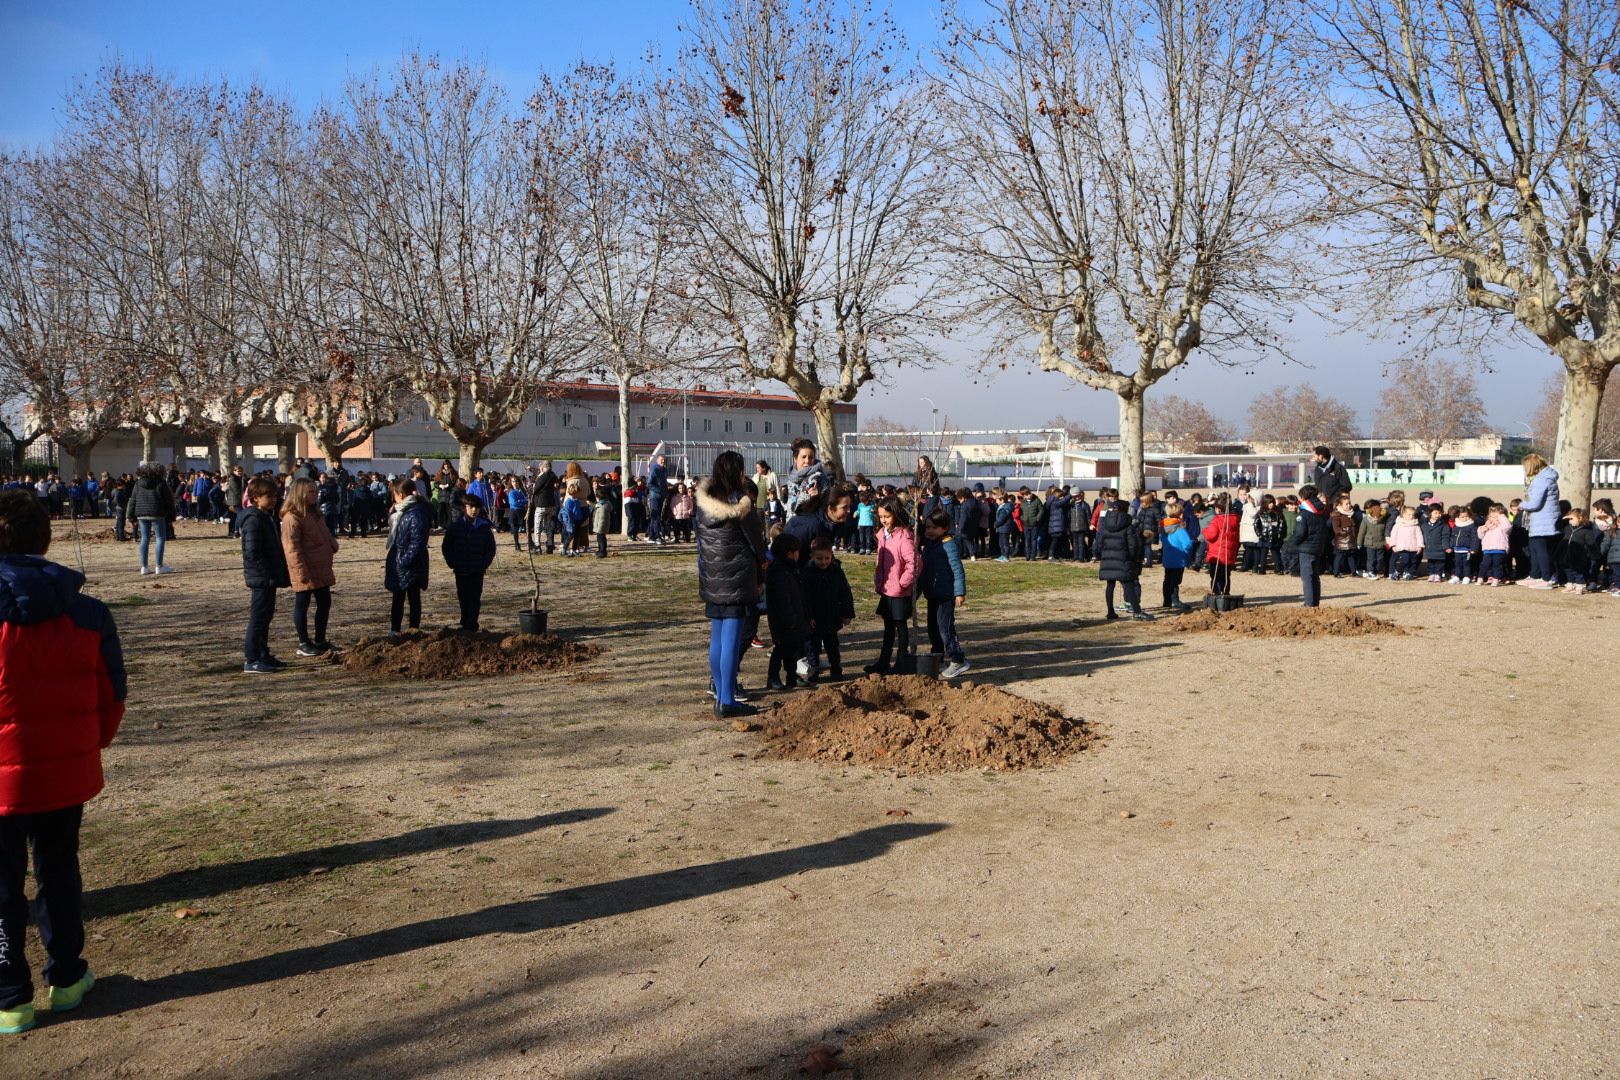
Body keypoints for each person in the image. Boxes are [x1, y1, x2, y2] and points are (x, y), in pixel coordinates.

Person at [0, 490, 126, 1035]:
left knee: (5, 884)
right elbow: (113, 696)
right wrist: (87, 744)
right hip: (63, 771)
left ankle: (11, 995)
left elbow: (111, 694)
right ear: (44, 537)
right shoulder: (89, 613)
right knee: (59, 870)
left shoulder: (89, 611)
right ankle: (66, 974)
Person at [696, 451, 767, 719]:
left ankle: (720, 694)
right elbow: (757, 544)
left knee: (717, 637)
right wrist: (761, 570)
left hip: (713, 578)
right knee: (732, 639)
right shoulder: (742, 505)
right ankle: (727, 699)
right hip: (737, 578)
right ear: (737, 472)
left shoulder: (703, 505)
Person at [280, 477, 339, 658]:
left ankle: (320, 639)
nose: (316, 494)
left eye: (316, 491)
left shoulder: (314, 513)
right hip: (305, 568)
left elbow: (325, 533)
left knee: (324, 603)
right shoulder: (292, 517)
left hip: (320, 566)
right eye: (311, 492)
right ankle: (304, 642)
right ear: (300, 494)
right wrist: (299, 570)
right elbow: (292, 547)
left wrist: (332, 544)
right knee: (302, 604)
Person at [239, 477, 290, 673]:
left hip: (268, 576)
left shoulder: (267, 517)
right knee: (258, 617)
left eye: (275, 496)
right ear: (255, 498)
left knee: (266, 616)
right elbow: (252, 552)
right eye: (268, 496)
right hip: (261, 577)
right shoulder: (253, 520)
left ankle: (263, 653)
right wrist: (266, 572)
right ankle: (252, 659)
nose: (274, 500)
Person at [868, 497, 917, 673]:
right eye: (881, 516)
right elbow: (880, 560)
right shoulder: (882, 534)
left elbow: (914, 563)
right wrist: (879, 580)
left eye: (887, 516)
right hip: (886, 588)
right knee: (888, 627)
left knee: (900, 625)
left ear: (895, 514)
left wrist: (903, 582)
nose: (883, 520)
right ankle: (883, 661)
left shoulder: (904, 536)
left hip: (899, 590)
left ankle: (902, 661)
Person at [920, 509, 970, 676]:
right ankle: (937, 658)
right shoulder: (928, 544)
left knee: (945, 629)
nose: (929, 531)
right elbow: (925, 570)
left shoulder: (949, 545)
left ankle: (958, 660)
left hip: (946, 596)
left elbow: (957, 569)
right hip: (932, 595)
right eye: (927, 527)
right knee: (932, 629)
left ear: (944, 528)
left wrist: (959, 593)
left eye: (934, 528)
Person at [801, 535, 854, 682]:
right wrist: (808, 616)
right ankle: (814, 668)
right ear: (812, 557)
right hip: (815, 617)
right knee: (813, 645)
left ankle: (836, 668)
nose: (823, 562)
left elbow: (845, 593)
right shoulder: (807, 573)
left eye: (827, 558)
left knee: (832, 645)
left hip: (832, 615)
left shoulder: (836, 571)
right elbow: (804, 598)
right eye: (819, 558)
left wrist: (847, 613)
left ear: (831, 555)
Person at [385, 476, 432, 639]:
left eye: (395, 495)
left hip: (410, 563)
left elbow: (417, 542)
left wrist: (402, 561)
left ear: (401, 494)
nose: (393, 498)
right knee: (398, 598)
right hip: (400, 560)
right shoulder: (402, 511)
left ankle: (413, 630)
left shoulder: (416, 512)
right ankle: (395, 629)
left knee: (413, 597)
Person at [442, 493, 497, 631]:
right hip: (460, 568)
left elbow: (491, 548)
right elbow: (446, 546)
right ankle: (465, 620)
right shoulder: (455, 527)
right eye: (471, 507)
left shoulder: (483, 528)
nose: (474, 510)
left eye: (477, 507)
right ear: (463, 507)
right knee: (463, 596)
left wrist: (484, 563)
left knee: (474, 598)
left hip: (476, 569)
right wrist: (452, 562)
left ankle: (472, 624)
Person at [764, 533, 809, 692]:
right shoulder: (778, 572)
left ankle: (791, 676)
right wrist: (790, 618)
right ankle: (773, 677)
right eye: (797, 552)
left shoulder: (791, 570)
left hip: (794, 616)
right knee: (781, 648)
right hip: (783, 619)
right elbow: (782, 598)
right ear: (790, 553)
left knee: (793, 648)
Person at [1097, 499, 1150, 620]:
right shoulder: (1128, 525)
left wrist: (1102, 554)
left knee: (1110, 585)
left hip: (1108, 557)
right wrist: (1132, 558)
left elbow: (1099, 542)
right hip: (1123, 558)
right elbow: (1132, 545)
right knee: (1129, 585)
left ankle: (1110, 612)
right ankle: (1137, 612)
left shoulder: (1104, 523)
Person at [1519, 454, 1562, 588]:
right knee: (1535, 548)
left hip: (1543, 521)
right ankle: (1535, 575)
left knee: (1541, 549)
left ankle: (1547, 577)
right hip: (1543, 520)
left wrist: (1522, 505)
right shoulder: (1546, 478)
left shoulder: (1541, 480)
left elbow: (1535, 503)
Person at [129, 463, 176, 576]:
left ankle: (144, 567)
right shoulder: (161, 483)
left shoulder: (138, 484)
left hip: (141, 514)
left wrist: (130, 517)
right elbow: (169, 501)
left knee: (144, 539)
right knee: (160, 538)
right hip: (157, 513)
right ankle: (159, 566)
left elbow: (132, 500)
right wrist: (172, 516)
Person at [1158, 494, 1196, 613]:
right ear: (1180, 515)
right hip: (1178, 559)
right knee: (1175, 580)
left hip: (1168, 557)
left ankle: (1167, 601)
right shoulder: (1180, 529)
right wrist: (1186, 552)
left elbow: (1163, 540)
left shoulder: (1164, 528)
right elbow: (1188, 543)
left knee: (1167, 579)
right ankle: (1175, 600)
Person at [1202, 493, 1241, 598]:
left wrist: (1205, 530)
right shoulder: (1235, 519)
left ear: (1218, 509)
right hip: (1229, 554)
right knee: (1226, 575)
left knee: (1215, 576)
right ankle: (1225, 592)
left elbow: (1211, 536)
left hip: (1217, 555)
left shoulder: (1217, 520)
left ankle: (1216, 593)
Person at [1478, 504, 1512, 587]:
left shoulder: (1502, 527)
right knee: (1484, 564)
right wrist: (1483, 529)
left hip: (1499, 549)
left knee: (1497, 565)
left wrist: (1501, 516)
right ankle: (1481, 577)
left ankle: (1496, 579)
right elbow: (1480, 536)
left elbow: (1507, 526)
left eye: (1496, 517)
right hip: (1487, 549)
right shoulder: (1485, 526)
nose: (1493, 518)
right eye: (1491, 516)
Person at [1387, 505, 1424, 580]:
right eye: (1409, 514)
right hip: (1402, 547)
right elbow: (1393, 535)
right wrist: (1393, 545)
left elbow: (1419, 536)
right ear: (1403, 515)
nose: (1411, 516)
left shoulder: (1416, 525)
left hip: (1413, 547)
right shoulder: (1398, 525)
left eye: (1413, 515)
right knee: (1404, 560)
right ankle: (1397, 572)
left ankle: (1409, 573)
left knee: (1413, 561)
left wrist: (1420, 545)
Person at [1420, 503, 1453, 583]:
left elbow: (1445, 537)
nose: (1438, 515)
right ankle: (1431, 574)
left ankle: (1438, 574)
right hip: (1429, 548)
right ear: (1430, 513)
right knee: (1430, 562)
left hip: (1440, 548)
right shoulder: (1424, 525)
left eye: (1439, 513)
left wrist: (1446, 547)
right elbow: (1422, 536)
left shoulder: (1444, 526)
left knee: (1439, 562)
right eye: (1436, 513)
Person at [1329, 494, 1358, 578]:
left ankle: (1353, 571)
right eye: (1346, 504)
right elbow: (1336, 528)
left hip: (1351, 539)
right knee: (1339, 556)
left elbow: (1354, 526)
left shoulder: (1351, 514)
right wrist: (1345, 532)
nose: (1349, 505)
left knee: (1351, 556)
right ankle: (1336, 572)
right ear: (1339, 505)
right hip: (1342, 540)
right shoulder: (1337, 515)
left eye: (1349, 503)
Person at [1358, 501, 1387, 580]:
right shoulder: (1366, 520)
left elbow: (1385, 532)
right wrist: (1359, 543)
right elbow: (1361, 532)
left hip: (1380, 543)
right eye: (1375, 516)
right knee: (1371, 559)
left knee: (1380, 559)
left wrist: (1386, 542)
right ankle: (1370, 571)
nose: (1376, 518)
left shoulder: (1383, 520)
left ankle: (1378, 571)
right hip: (1370, 544)